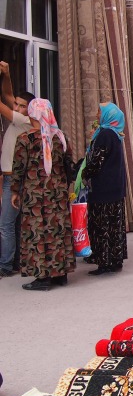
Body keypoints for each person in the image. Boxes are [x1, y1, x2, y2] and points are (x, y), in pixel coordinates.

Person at [10, 98, 75, 291]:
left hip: (35, 195)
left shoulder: (25, 139)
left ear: (32, 114)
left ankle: (42, 277)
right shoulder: (59, 137)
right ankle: (60, 273)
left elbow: (18, 169)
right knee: (58, 230)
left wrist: (14, 191)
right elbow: (68, 165)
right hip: (58, 193)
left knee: (37, 233)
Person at [82, 103, 128, 275]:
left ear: (108, 115)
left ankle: (104, 263)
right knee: (114, 225)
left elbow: (97, 161)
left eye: (100, 111)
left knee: (101, 225)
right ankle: (114, 260)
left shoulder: (105, 134)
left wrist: (84, 173)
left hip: (103, 189)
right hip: (114, 188)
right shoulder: (115, 134)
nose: (96, 113)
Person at [0, 61, 34, 278]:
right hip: (10, 177)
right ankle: (16, 262)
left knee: (5, 224)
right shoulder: (19, 118)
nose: (16, 107)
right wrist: (7, 74)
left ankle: (5, 265)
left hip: (14, 179)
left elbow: (2, 102)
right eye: (17, 104)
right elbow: (7, 95)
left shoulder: (25, 120)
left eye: (21, 105)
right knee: (13, 223)